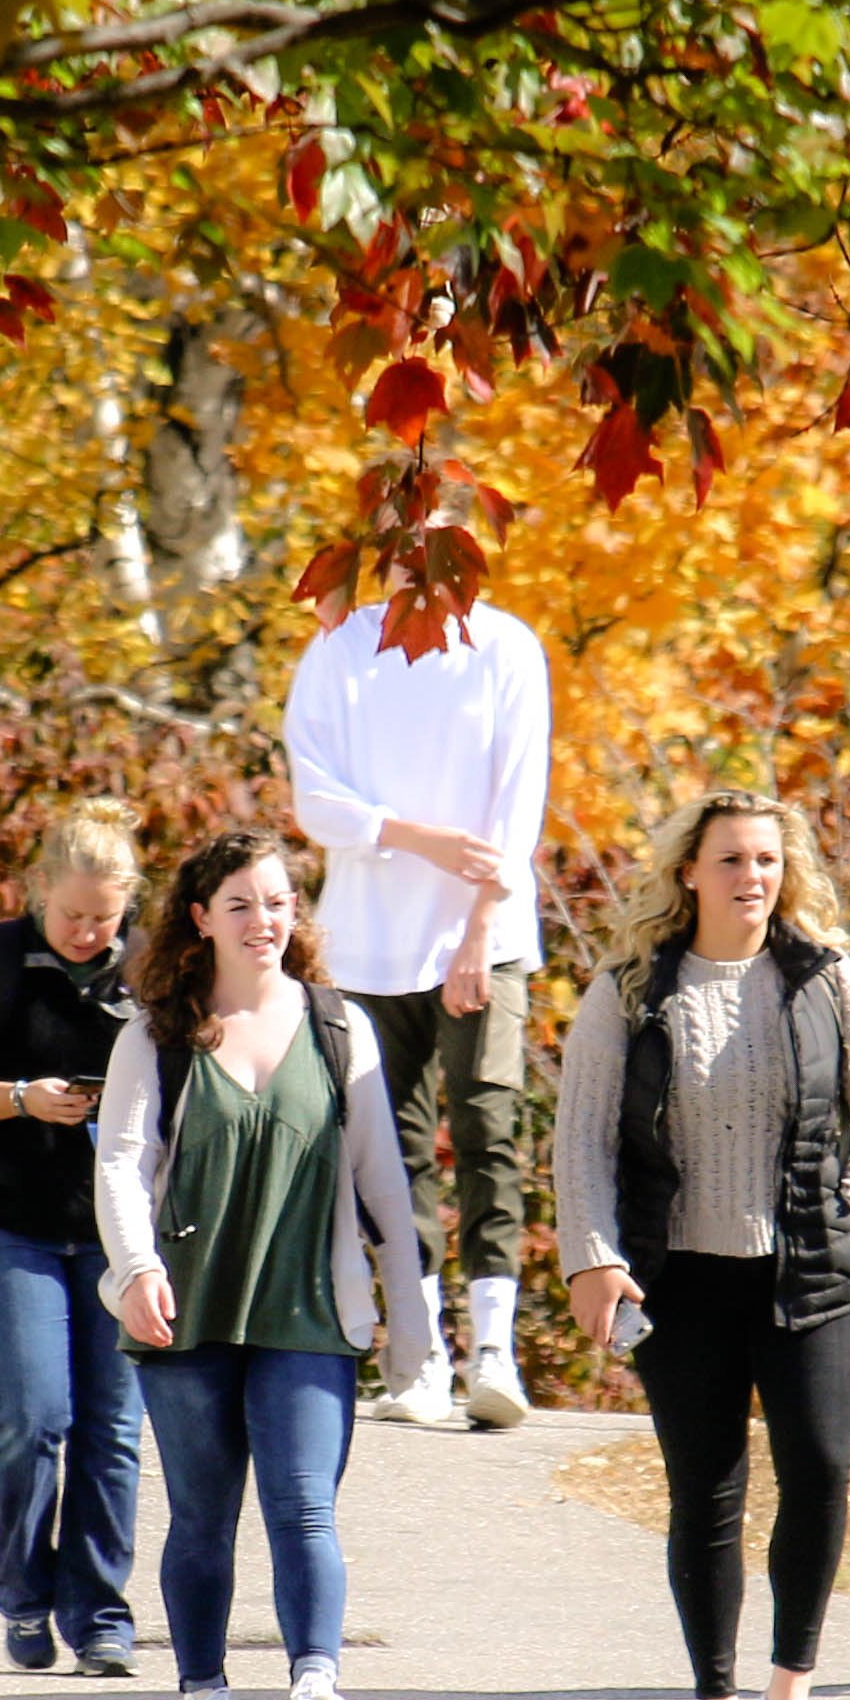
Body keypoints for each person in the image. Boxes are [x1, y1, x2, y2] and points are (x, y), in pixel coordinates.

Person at [552, 790, 850, 1700]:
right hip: (681, 1281)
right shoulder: (630, 988)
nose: (750, 877)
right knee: (705, 1490)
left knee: (822, 1470)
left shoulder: (826, 980)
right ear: (689, 872)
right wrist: (594, 1257)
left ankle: (789, 1692)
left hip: (807, 1269)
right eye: (730, 860)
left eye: (765, 860)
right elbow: (581, 1136)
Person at [90, 828, 440, 1700]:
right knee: (202, 1517)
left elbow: (383, 1184)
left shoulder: (338, 1028)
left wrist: (414, 1324)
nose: (265, 920)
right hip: (187, 1308)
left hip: (308, 1310)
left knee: (304, 1509)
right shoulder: (155, 1035)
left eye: (279, 902)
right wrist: (134, 1270)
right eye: (241, 904)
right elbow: (121, 1163)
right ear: (200, 919)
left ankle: (315, 1690)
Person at [282, 593, 553, 1430]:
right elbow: (314, 802)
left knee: (488, 1129)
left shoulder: (507, 644)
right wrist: (415, 837)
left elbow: (518, 803)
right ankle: (420, 1352)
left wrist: (479, 925)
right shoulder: (340, 646)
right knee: (388, 1153)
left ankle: (495, 1354)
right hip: (367, 942)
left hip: (487, 938)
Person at [0, 805, 151, 1675]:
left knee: (113, 1427)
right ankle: (24, 1595)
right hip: (5, 1224)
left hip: (121, 1236)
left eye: (105, 918)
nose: (88, 933)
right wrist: (20, 1096)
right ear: (38, 889)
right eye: (73, 914)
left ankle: (100, 1615)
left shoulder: (155, 972)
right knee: (33, 1416)